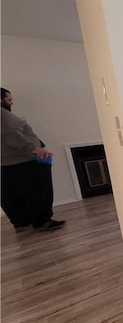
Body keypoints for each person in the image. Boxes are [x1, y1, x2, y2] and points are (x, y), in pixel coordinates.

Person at [1, 88, 65, 231]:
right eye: (9, 100)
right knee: (39, 190)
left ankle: (21, 222)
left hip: (4, 163)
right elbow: (11, 134)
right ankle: (42, 221)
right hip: (22, 160)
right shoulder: (2, 115)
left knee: (10, 194)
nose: (11, 102)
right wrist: (35, 148)